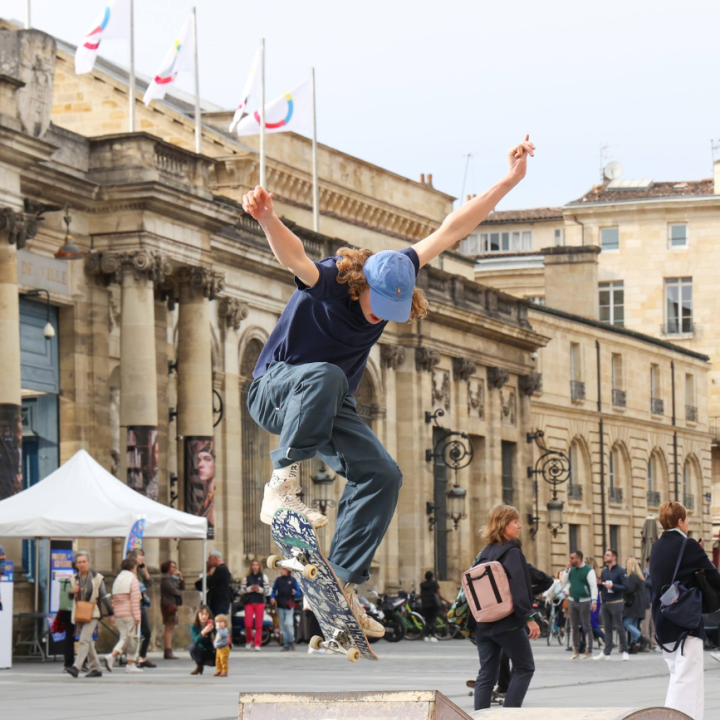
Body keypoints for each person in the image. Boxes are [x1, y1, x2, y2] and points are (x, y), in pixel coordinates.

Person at [242, 137, 535, 639]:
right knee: (329, 373)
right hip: (276, 392)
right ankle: (283, 484)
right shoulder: (334, 280)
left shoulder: (399, 269)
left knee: (384, 475)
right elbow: (295, 259)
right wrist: (268, 218)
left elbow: (453, 228)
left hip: (329, 403)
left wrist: (508, 181)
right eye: (377, 306)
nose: (381, 317)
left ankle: (342, 584)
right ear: (361, 286)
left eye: (391, 311)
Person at [650, 501, 720, 720]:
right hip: (685, 621)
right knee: (688, 679)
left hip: (663, 620)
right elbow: (714, 577)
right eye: (687, 519)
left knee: (678, 676)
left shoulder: (656, 546)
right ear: (680, 521)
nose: (688, 523)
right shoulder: (688, 545)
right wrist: (698, 553)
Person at [473, 505, 540, 711]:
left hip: (483, 623)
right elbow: (518, 587)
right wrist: (529, 618)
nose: (519, 526)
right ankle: (509, 716)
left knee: (486, 675)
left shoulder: (485, 553)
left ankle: (479, 717)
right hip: (506, 622)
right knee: (525, 668)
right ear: (504, 525)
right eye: (515, 522)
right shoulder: (511, 552)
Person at [64, 551, 113, 678]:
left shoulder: (97, 577)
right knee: (89, 642)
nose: (81, 564)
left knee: (84, 640)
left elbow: (104, 595)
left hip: (92, 612)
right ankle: (96, 668)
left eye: (84, 562)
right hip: (79, 612)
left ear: (89, 562)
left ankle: (76, 667)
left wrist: (111, 613)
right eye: (79, 562)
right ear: (76, 564)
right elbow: (69, 598)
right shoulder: (73, 579)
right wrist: (71, 592)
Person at [104, 557, 143, 674]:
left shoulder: (118, 579)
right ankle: (113, 655)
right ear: (132, 568)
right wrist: (137, 617)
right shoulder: (133, 579)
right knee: (131, 638)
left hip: (119, 614)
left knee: (126, 637)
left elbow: (115, 599)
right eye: (136, 567)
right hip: (130, 613)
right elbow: (135, 600)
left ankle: (130, 664)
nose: (137, 570)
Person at [593, 548, 629, 661]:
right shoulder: (604, 571)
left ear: (614, 557)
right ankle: (606, 652)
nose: (605, 557)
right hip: (605, 603)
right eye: (605, 555)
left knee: (619, 627)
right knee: (607, 628)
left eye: (608, 555)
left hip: (616, 602)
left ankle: (625, 650)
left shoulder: (621, 571)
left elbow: (626, 587)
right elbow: (601, 587)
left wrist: (613, 586)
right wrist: (599, 584)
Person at [561, 550, 598, 660]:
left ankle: (588, 650)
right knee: (573, 627)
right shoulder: (571, 570)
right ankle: (575, 650)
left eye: (572, 558)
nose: (570, 560)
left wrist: (594, 600)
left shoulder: (588, 570)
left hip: (584, 601)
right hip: (572, 600)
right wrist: (566, 570)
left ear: (578, 559)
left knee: (586, 626)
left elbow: (593, 586)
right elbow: (564, 581)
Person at [127, 548, 155, 668]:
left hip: (141, 604)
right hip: (131, 605)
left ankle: (143, 657)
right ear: (134, 557)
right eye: (140, 555)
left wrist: (146, 571)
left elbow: (149, 584)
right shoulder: (127, 571)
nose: (142, 558)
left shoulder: (139, 570)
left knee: (147, 631)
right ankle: (131, 659)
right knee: (131, 634)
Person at [239, 559, 271, 651]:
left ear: (259, 566)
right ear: (251, 566)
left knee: (258, 625)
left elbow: (267, 590)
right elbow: (242, 590)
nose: (255, 567)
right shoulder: (247, 577)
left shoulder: (263, 577)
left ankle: (257, 643)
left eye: (257, 565)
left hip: (259, 602)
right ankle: (249, 641)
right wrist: (250, 589)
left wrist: (259, 589)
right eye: (253, 565)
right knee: (248, 624)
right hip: (249, 602)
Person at [194, 549, 233, 618]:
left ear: (215, 558)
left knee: (217, 622)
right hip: (221, 602)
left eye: (209, 558)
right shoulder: (223, 568)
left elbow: (209, 583)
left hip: (219, 602)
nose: (209, 561)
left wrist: (209, 575)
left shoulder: (220, 569)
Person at [270, 567, 300, 651]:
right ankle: (286, 644)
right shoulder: (278, 580)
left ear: (287, 570)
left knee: (288, 623)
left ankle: (292, 640)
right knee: (282, 626)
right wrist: (272, 597)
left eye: (282, 569)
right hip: (280, 605)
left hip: (289, 605)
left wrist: (295, 593)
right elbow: (274, 590)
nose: (281, 571)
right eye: (280, 569)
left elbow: (298, 592)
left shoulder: (293, 580)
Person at [160, 559, 185, 659]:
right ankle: (167, 650)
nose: (175, 569)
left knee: (171, 627)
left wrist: (181, 577)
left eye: (175, 567)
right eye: (172, 567)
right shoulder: (165, 579)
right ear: (168, 568)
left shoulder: (173, 578)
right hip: (168, 604)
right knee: (169, 627)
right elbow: (175, 591)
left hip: (173, 604)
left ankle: (168, 650)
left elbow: (182, 587)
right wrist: (179, 590)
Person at [623, 556, 648, 652]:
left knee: (627, 623)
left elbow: (630, 589)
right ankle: (633, 646)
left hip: (633, 604)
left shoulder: (633, 576)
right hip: (639, 604)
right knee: (633, 623)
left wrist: (623, 589)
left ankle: (641, 638)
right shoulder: (640, 576)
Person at [420, 570, 449, 642]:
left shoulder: (422, 584)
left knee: (427, 621)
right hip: (433, 604)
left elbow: (421, 594)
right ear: (432, 576)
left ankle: (426, 636)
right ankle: (432, 635)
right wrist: (448, 601)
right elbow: (440, 595)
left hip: (425, 604)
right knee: (433, 620)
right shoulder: (435, 584)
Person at [189, 604, 215, 675]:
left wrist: (214, 630)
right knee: (192, 647)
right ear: (198, 614)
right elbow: (195, 641)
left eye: (206, 614)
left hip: (212, 650)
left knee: (223, 647)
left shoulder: (213, 624)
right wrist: (203, 632)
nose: (204, 616)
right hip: (201, 650)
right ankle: (199, 666)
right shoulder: (193, 626)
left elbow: (219, 637)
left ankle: (222, 668)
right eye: (202, 614)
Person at [641, 557, 658, 653]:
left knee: (654, 625)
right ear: (648, 563)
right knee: (645, 624)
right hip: (647, 602)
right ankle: (646, 643)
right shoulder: (644, 574)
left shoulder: (657, 574)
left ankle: (654, 643)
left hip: (655, 601)